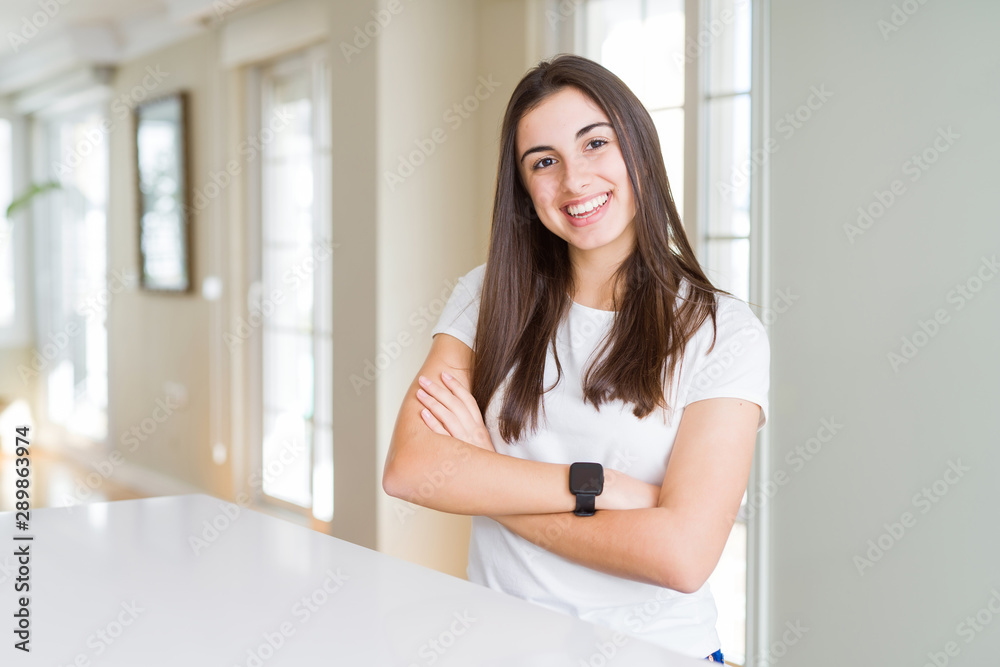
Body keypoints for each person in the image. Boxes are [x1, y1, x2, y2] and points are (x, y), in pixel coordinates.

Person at [382, 53, 769, 664]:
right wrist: (598, 486)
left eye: (595, 144)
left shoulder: (722, 332)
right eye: (544, 161)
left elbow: (682, 556)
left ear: (638, 148)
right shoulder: (487, 297)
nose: (573, 181)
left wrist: (486, 478)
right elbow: (410, 467)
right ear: (524, 187)